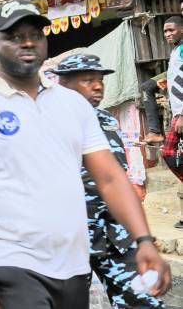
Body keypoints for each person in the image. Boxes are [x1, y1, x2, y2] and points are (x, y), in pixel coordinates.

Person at [0, 0, 171, 309]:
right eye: (15, 36)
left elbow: (111, 178)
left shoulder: (72, 106)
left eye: (35, 34)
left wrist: (143, 240)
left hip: (71, 263)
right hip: (5, 261)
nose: (28, 42)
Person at [55, 54, 164, 309]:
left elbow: (117, 177)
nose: (98, 86)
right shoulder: (48, 122)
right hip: (69, 237)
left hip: (113, 234)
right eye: (87, 80)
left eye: (100, 80)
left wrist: (142, 236)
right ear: (63, 84)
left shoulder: (106, 119)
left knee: (141, 301)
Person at [161, 16, 183, 228]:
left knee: (169, 153)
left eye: (171, 30)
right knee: (169, 154)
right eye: (165, 31)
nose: (168, 34)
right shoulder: (176, 51)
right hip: (178, 113)